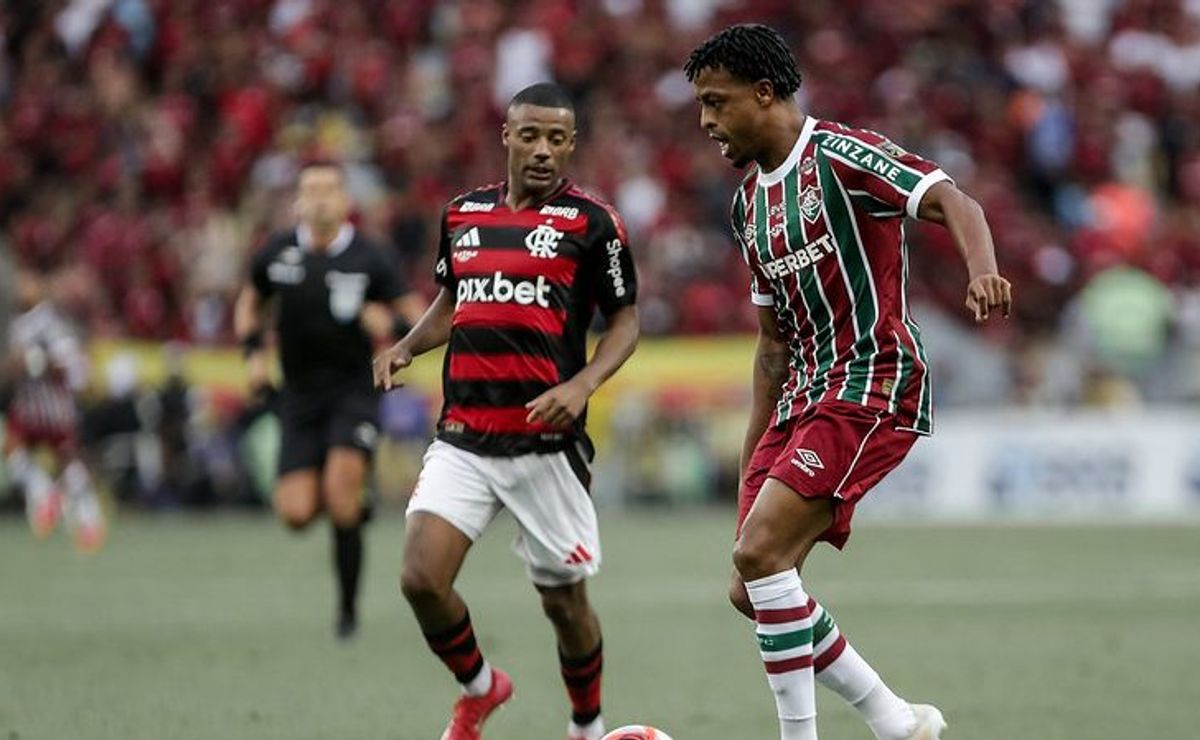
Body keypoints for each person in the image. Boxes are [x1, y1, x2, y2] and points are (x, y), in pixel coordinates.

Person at [685, 24, 1013, 740]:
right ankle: (895, 721)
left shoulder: (839, 155)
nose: (705, 122)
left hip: (873, 379)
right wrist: (752, 465)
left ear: (764, 93)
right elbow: (772, 349)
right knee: (753, 585)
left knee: (761, 556)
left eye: (716, 102)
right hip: (803, 394)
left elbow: (957, 201)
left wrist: (981, 268)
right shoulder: (748, 206)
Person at [373, 82, 639, 740]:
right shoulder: (463, 214)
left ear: (572, 144)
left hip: (545, 447)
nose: (544, 150)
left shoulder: (593, 223)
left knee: (565, 604)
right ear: (507, 136)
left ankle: (587, 727)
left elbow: (627, 321)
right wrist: (407, 347)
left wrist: (584, 385)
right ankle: (481, 687)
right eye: (531, 135)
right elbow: (452, 301)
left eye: (557, 138)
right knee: (419, 578)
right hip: (465, 437)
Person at [234, 160, 425, 639]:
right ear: (298, 200)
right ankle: (343, 494)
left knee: (341, 501)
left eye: (329, 190)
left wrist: (391, 328)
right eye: (310, 190)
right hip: (298, 396)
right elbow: (250, 302)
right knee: (296, 513)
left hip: (353, 393)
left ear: (345, 202)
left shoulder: (370, 257)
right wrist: (254, 357)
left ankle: (347, 614)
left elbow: (417, 319)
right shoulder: (277, 252)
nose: (319, 198)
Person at [3, 269, 106, 552]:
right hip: (30, 403)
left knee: (64, 459)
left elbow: (68, 361)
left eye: (28, 282)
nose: (22, 288)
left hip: (51, 404)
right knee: (19, 449)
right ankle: (77, 514)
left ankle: (71, 510)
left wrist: (34, 362)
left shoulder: (49, 321)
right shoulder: (20, 323)